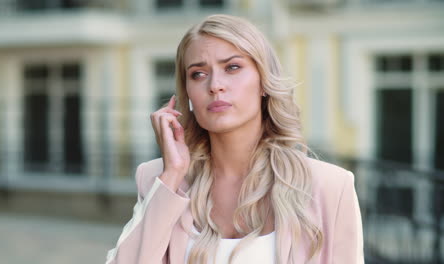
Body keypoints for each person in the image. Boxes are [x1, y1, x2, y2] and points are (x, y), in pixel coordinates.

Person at [106, 14, 364, 264]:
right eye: (198, 74)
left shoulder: (330, 187)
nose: (215, 85)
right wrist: (172, 174)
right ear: (188, 93)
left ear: (263, 82)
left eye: (232, 67)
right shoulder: (159, 180)